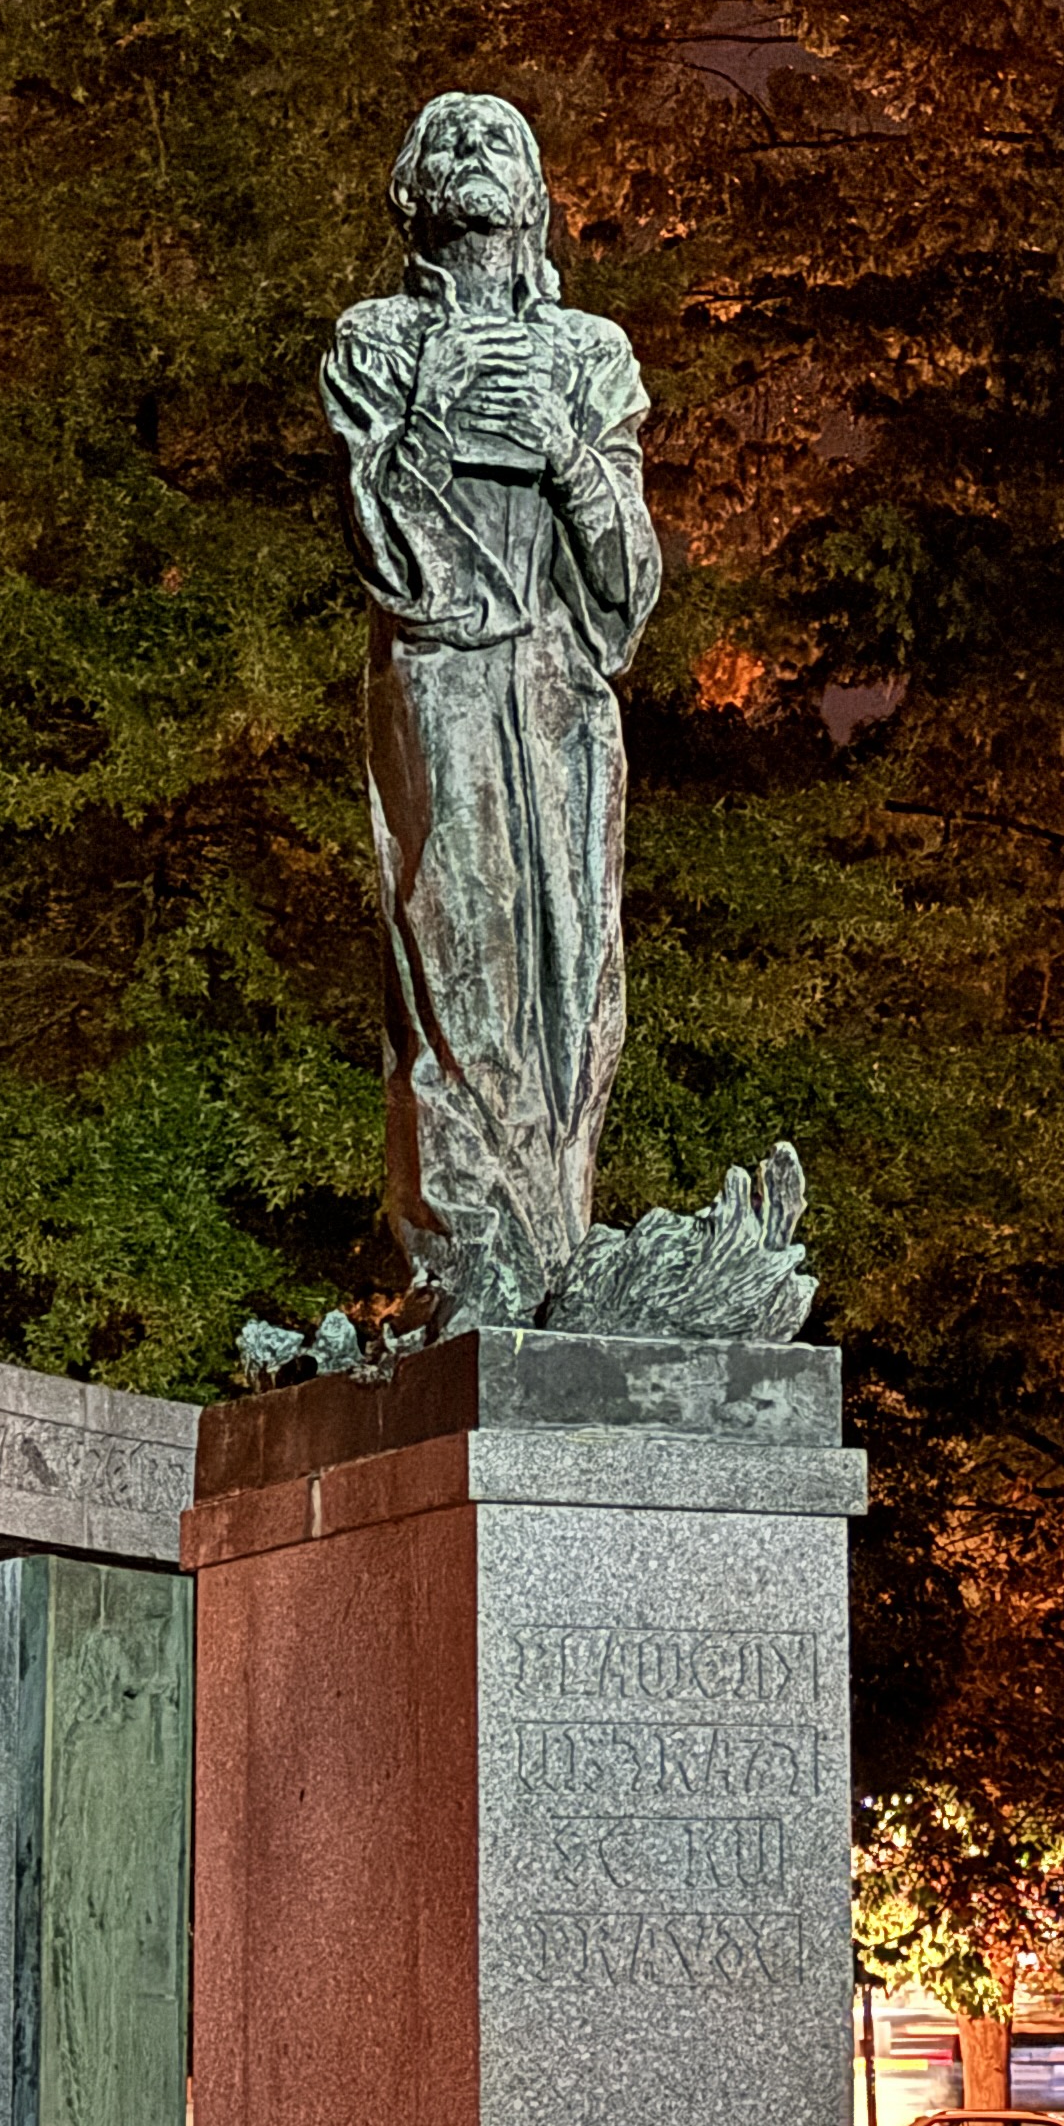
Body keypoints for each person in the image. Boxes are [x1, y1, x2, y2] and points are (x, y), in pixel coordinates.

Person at [321, 93, 664, 1332]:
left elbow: (629, 579)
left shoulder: (591, 354)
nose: (472, 154)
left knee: (576, 974)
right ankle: (466, 1257)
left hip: (566, 703)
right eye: (448, 141)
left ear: (536, 196)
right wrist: (437, 409)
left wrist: (565, 451)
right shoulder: (377, 342)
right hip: (449, 685)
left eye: (499, 139)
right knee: (457, 959)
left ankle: (554, 1261)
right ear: (412, 189)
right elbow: (390, 553)